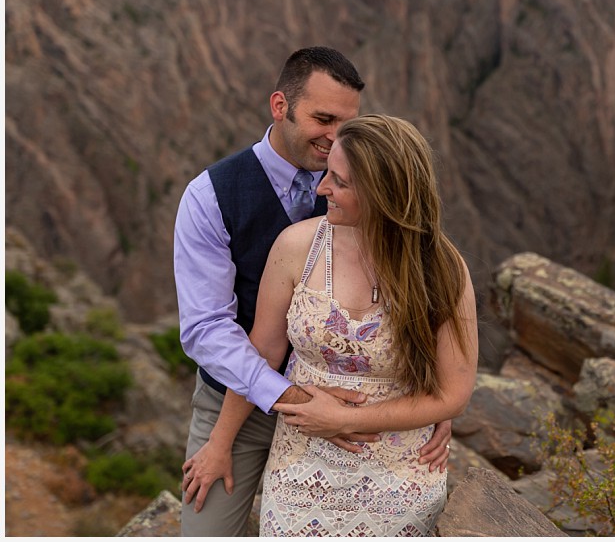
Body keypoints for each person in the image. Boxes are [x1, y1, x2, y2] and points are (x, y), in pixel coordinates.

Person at [174, 48, 452, 536]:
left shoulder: (366, 182)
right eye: (322, 119)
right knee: (206, 531)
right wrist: (275, 405)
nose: (335, 137)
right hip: (236, 401)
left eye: (346, 124)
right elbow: (206, 329)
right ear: (279, 106)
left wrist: (428, 403)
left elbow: (416, 288)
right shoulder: (210, 196)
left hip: (349, 408)